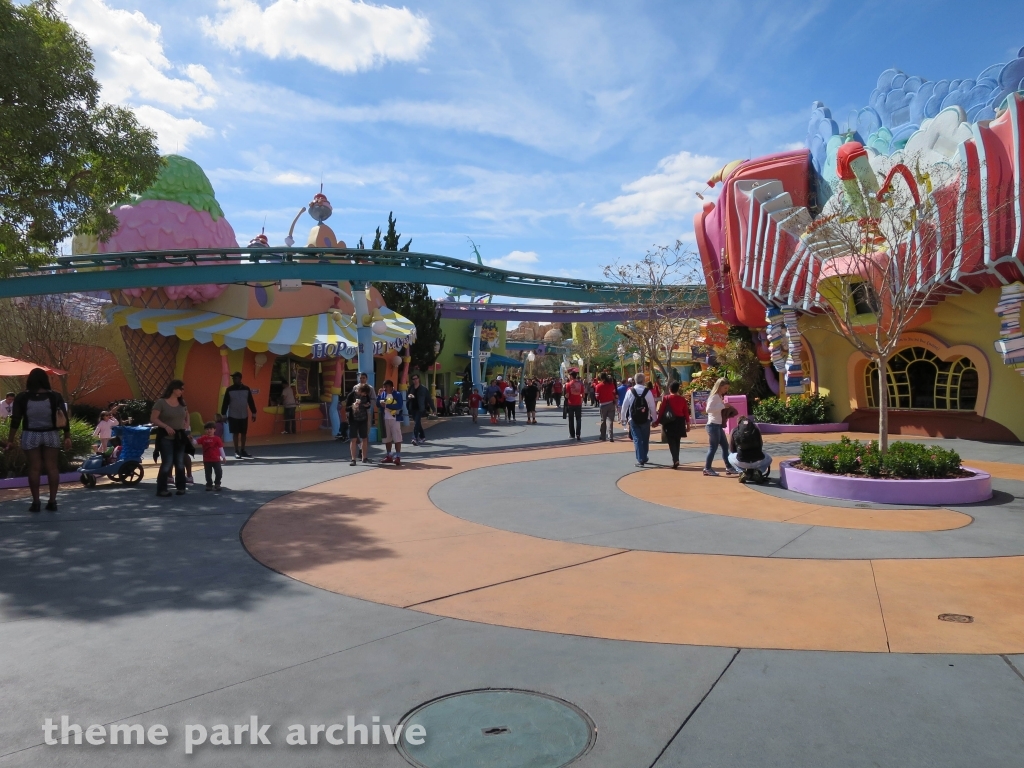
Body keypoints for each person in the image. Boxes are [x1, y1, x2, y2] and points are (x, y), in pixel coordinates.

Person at [5, 368, 72, 512]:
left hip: (31, 434)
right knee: (52, 467)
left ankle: (35, 502)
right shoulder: (55, 396)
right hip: (51, 434)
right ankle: (52, 501)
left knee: (34, 468)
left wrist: (10, 440)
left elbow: (16, 420)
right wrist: (67, 436)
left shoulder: (22, 397)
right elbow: (64, 418)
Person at [150, 380, 190, 497]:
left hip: (179, 436)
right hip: (165, 436)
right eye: (181, 389)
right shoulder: (161, 402)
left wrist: (187, 423)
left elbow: (187, 413)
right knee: (167, 462)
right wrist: (166, 426)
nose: (183, 391)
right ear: (174, 389)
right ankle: (162, 489)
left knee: (179, 462)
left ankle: (181, 487)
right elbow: (153, 418)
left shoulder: (182, 402)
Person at [620, 372, 658, 467]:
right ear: (643, 381)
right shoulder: (648, 391)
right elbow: (652, 407)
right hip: (646, 418)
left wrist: (623, 418)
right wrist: (654, 420)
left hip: (633, 419)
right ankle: (644, 456)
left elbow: (624, 406)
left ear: (635, 381)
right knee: (645, 438)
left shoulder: (630, 391)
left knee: (637, 439)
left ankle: (640, 458)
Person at [704, 377, 739, 477]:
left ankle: (729, 467)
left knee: (725, 446)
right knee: (713, 448)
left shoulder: (718, 396)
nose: (726, 390)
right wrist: (723, 406)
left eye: (727, 388)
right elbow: (708, 409)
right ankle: (707, 468)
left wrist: (723, 405)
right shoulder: (714, 396)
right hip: (713, 425)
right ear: (719, 387)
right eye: (725, 388)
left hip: (717, 425)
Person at [221, 372, 257, 459]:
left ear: (240, 378)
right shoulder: (229, 389)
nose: (234, 380)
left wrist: (254, 412)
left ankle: (243, 450)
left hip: (244, 415)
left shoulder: (246, 389)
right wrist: (223, 414)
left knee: (244, 433)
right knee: (235, 433)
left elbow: (250, 401)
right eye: (233, 378)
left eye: (236, 378)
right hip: (233, 415)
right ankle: (236, 451)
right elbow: (225, 402)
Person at [658, 381, 691, 469]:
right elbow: (686, 412)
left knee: (671, 441)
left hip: (669, 422)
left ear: (670, 389)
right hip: (680, 421)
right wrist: (688, 424)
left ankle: (675, 459)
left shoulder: (666, 398)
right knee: (677, 441)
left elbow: (661, 411)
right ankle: (676, 459)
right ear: (678, 389)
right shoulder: (682, 399)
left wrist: (657, 421)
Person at [729, 417, 772, 483]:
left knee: (729, 456)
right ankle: (758, 471)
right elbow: (760, 445)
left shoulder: (734, 431)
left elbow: (732, 449)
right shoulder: (756, 430)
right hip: (758, 460)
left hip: (741, 461)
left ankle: (741, 472)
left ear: (738, 423)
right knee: (769, 458)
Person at [346, 383, 374, 465]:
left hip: (363, 419)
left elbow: (368, 404)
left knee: (364, 438)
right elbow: (347, 408)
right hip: (353, 419)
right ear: (361, 391)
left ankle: (364, 457)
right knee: (353, 439)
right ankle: (353, 459)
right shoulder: (351, 395)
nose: (365, 395)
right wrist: (353, 406)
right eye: (364, 393)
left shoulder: (366, 396)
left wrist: (367, 405)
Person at [378, 379, 404, 466]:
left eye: (386, 387)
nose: (384, 388)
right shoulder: (383, 394)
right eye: (384, 387)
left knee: (397, 437)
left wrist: (387, 405)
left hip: (395, 418)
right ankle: (389, 455)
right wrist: (379, 396)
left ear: (391, 387)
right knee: (387, 438)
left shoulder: (397, 394)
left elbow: (399, 405)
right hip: (385, 418)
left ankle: (398, 456)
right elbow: (378, 404)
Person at [195, 421, 226, 491]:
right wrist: (191, 439)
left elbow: (221, 448)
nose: (209, 430)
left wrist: (223, 457)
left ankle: (217, 483)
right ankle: (209, 484)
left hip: (216, 459)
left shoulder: (217, 439)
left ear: (214, 430)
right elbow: (195, 442)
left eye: (211, 429)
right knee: (208, 473)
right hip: (207, 460)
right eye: (207, 429)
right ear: (205, 430)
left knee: (219, 472)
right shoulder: (203, 438)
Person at [595, 372, 618, 442]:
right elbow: (614, 393)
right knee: (610, 420)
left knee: (603, 420)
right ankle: (610, 436)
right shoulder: (611, 385)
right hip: (611, 403)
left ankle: (603, 436)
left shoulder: (598, 386)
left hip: (603, 404)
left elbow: (597, 397)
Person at [407, 374, 430, 445]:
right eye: (413, 379)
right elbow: (407, 395)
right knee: (418, 423)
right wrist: (409, 396)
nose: (415, 380)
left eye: (416, 378)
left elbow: (428, 399)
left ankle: (414, 438)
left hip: (420, 408)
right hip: (412, 407)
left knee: (416, 422)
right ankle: (422, 437)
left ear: (418, 379)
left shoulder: (423, 388)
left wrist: (433, 409)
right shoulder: (411, 387)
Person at [564, 371, 585, 441]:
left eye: (569, 376)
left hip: (571, 404)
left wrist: (566, 396)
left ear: (572, 376)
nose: (569, 377)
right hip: (578, 403)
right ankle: (578, 434)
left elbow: (567, 395)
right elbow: (583, 394)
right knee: (578, 419)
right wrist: (580, 398)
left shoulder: (568, 384)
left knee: (571, 419)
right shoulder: (580, 384)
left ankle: (572, 434)